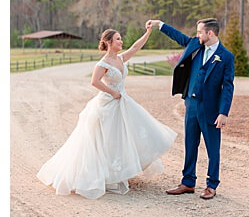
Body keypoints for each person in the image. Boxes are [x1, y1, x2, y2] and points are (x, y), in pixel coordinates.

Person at [37, 27, 177, 199]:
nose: (121, 41)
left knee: (124, 137)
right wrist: (112, 92)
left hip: (122, 101)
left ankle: (119, 171)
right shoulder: (103, 63)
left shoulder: (121, 58)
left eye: (121, 39)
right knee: (107, 139)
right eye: (118, 39)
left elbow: (135, 48)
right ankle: (106, 175)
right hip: (108, 104)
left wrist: (147, 33)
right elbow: (94, 81)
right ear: (109, 42)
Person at [149, 18, 235, 200]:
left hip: (211, 109)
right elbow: (178, 37)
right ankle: (188, 182)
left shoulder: (226, 56)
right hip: (191, 105)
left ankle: (212, 185)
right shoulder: (196, 44)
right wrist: (160, 25)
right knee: (190, 144)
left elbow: (228, 86)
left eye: (199, 32)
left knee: (213, 148)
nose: (197, 35)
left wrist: (223, 112)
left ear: (209, 33)